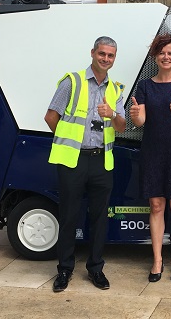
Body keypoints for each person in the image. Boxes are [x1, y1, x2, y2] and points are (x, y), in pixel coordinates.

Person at [44, 36, 127, 292]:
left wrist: (112, 114)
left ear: (114, 58)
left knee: (100, 219)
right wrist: (70, 142)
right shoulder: (72, 82)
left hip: (102, 161)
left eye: (110, 55)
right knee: (69, 217)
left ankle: (96, 269)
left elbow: (122, 126)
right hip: (73, 160)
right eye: (102, 54)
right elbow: (50, 117)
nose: (106, 59)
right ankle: (65, 270)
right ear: (93, 53)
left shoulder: (116, 89)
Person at [129, 33, 171, 283]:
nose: (166, 57)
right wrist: (135, 114)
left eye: (170, 52)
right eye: (161, 52)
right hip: (153, 152)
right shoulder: (145, 86)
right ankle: (157, 259)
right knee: (156, 206)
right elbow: (140, 121)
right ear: (155, 57)